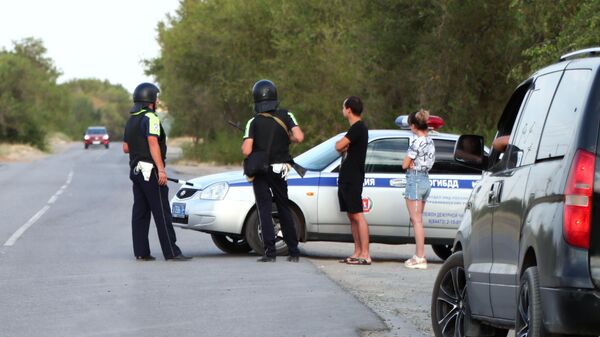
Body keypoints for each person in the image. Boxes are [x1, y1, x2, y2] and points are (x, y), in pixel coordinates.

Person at [123, 82, 191, 261]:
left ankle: (141, 252)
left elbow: (125, 147)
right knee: (162, 211)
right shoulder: (151, 118)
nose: (158, 100)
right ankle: (171, 252)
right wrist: (160, 169)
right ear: (150, 100)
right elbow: (153, 143)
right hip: (150, 171)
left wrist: (139, 148)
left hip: (136, 171)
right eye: (156, 97)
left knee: (140, 212)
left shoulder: (131, 119)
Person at [241, 79, 304, 262]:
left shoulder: (253, 121)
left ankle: (270, 252)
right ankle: (293, 251)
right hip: (280, 169)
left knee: (264, 209)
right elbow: (299, 136)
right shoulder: (287, 115)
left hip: (261, 170)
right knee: (284, 207)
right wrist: (286, 138)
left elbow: (246, 150)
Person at [335, 96, 371, 265]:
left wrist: (342, 144)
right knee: (351, 215)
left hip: (353, 177)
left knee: (358, 214)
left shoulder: (358, 127)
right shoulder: (354, 129)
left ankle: (365, 254)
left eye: (343, 107)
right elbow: (341, 146)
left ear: (348, 109)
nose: (342, 110)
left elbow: (338, 146)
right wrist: (342, 145)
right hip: (346, 176)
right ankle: (357, 251)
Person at [402, 109, 435, 269]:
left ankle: (420, 257)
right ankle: (418, 255)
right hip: (425, 179)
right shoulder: (430, 141)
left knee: (416, 221)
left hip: (414, 180)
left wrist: (410, 163)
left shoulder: (416, 142)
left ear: (414, 126)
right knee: (419, 220)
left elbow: (404, 164)